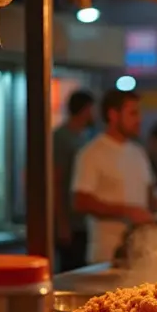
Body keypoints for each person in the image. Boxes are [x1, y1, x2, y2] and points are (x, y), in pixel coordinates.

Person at [72, 90, 157, 264]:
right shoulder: (92, 153)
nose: (139, 119)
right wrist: (127, 211)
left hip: (140, 254)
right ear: (113, 115)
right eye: (133, 113)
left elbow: (148, 198)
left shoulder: (138, 152)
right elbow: (81, 201)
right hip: (106, 257)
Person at [53, 90, 95, 272]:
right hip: (69, 220)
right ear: (85, 110)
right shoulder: (61, 138)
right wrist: (62, 223)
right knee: (70, 269)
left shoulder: (84, 137)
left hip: (83, 221)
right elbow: (56, 181)